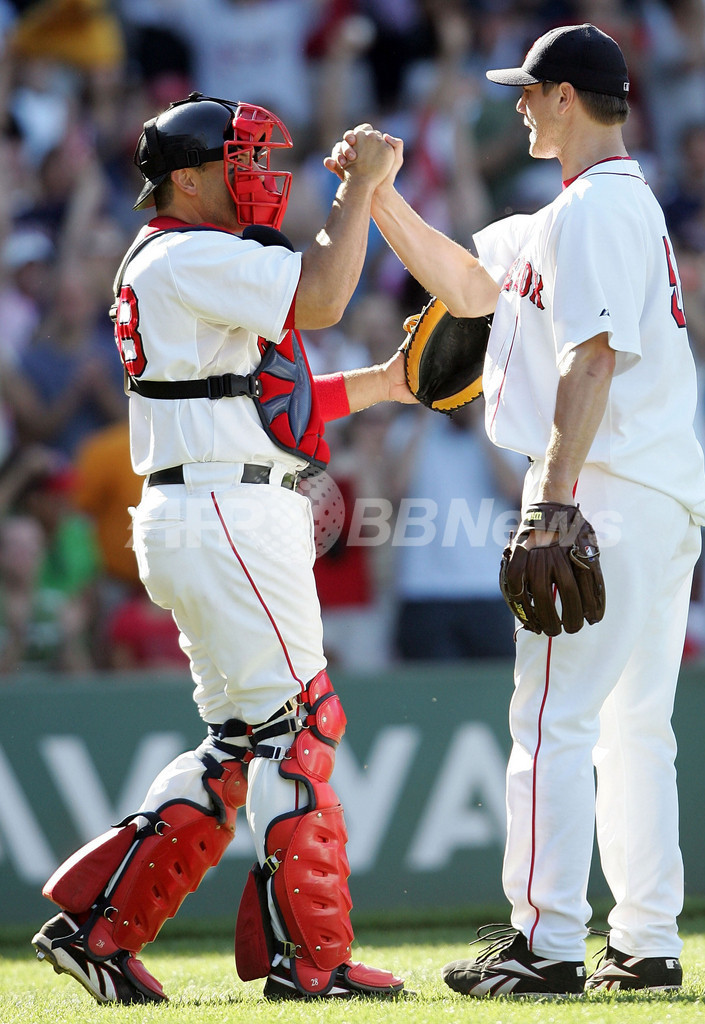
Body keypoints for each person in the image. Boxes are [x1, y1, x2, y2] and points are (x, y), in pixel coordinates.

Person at [327, 23, 705, 996]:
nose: (520, 106)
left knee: (550, 716)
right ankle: (647, 939)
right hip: (657, 488)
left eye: (532, 92)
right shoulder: (578, 211)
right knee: (635, 728)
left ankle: (543, 941)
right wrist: (376, 197)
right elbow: (465, 283)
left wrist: (552, 500)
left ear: (570, 98)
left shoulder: (593, 210)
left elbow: (591, 359)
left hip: (606, 482)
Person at [31, 91, 417, 1004]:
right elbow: (323, 297)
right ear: (186, 178)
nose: (257, 177)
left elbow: (268, 409)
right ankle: (309, 958)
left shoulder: (185, 262)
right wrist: (362, 186)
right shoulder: (189, 251)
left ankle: (99, 930)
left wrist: (389, 382)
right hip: (223, 514)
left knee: (242, 740)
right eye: (239, 162)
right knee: (301, 728)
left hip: (209, 504)